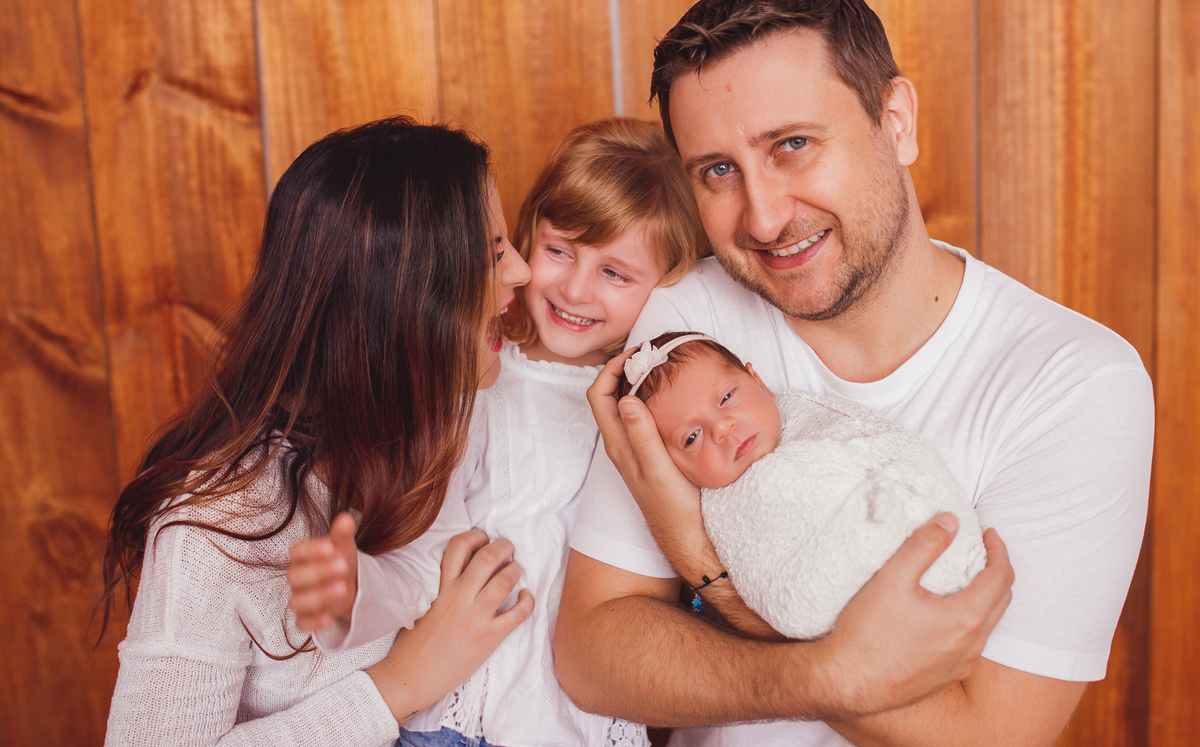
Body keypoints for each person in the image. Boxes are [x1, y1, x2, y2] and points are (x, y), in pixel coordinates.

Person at [555, 0, 1153, 747]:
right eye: (718, 172)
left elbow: (989, 737)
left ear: (895, 120)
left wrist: (709, 569)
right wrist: (830, 673)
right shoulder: (691, 322)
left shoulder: (1074, 384)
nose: (764, 217)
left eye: (792, 145)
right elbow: (592, 658)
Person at [99, 116, 536, 746]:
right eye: (493, 254)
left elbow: (425, 563)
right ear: (404, 301)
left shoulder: (459, 419)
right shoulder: (218, 527)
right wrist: (400, 684)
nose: (520, 273)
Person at [284, 118, 709, 747]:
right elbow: (428, 558)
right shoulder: (479, 387)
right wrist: (355, 595)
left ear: (671, 284)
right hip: (452, 725)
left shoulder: (652, 415)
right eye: (558, 250)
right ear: (525, 236)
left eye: (615, 273)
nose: (573, 287)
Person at [615, 331, 985, 639]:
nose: (723, 428)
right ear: (672, 468)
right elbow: (781, 594)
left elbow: (894, 449)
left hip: (942, 553)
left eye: (727, 397)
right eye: (692, 437)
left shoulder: (816, 418)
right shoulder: (724, 511)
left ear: (759, 382)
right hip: (858, 606)